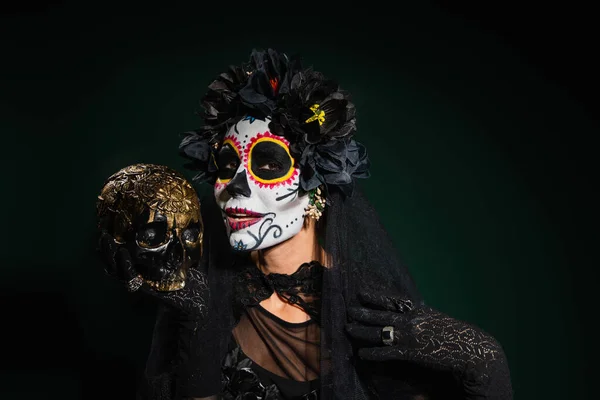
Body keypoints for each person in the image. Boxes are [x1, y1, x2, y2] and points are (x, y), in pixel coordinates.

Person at [99, 48, 513, 399]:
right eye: (226, 165)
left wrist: (484, 361)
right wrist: (197, 321)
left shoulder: (370, 308)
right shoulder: (209, 292)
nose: (234, 187)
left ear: (316, 189)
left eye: (267, 163)